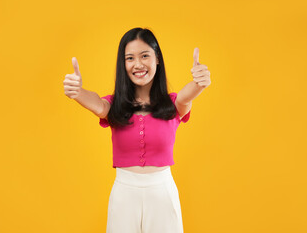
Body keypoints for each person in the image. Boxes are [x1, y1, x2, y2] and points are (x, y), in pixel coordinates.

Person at [63, 27, 211, 233]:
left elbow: (186, 97)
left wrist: (199, 83)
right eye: (130, 58)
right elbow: (97, 105)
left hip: (162, 193)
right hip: (124, 193)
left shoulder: (173, 105)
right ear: (123, 64)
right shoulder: (114, 106)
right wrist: (78, 92)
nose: (138, 64)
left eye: (144, 56)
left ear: (157, 58)